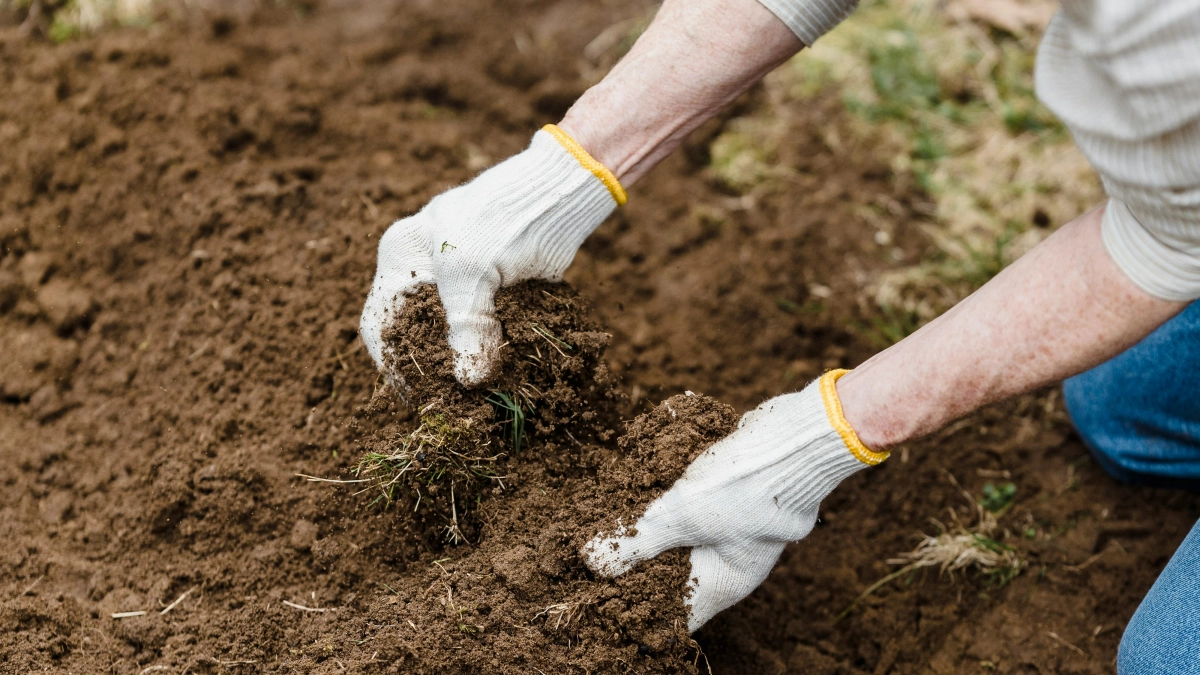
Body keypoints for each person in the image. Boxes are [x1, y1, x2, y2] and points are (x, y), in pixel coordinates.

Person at [358, 1, 1200, 671]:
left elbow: (1164, 243)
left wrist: (821, 438)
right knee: (1124, 413)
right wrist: (557, 178)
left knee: (1166, 660)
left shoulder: (1156, 26)